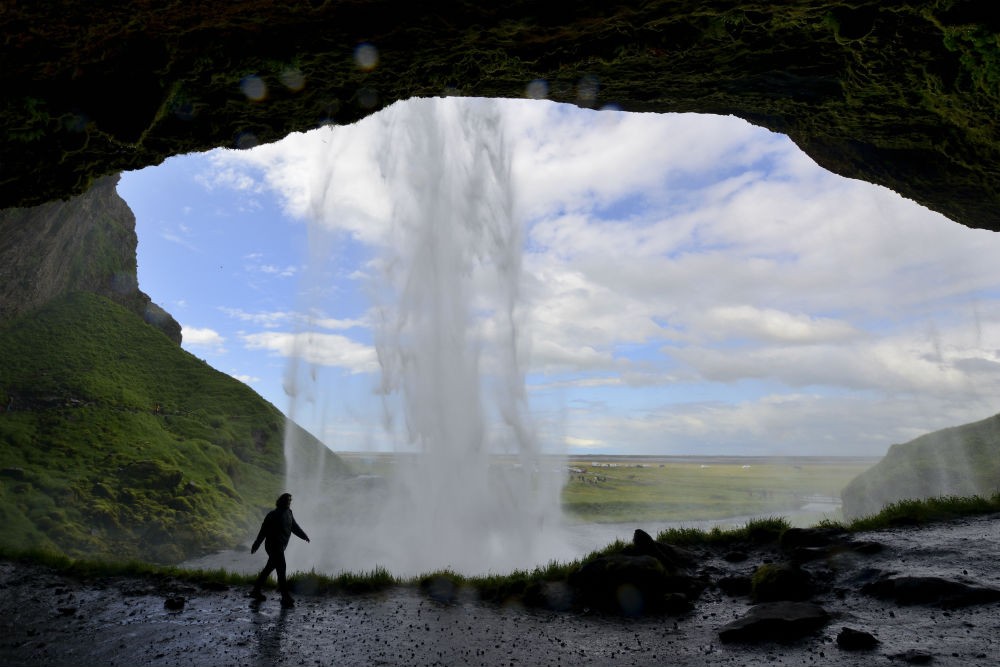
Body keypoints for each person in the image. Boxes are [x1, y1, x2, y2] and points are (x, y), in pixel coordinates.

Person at [249, 492, 310, 607]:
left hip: (280, 546)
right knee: (281, 569)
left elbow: (294, 527)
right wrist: (256, 545)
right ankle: (285, 597)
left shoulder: (289, 513)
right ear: (281, 501)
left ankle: (255, 591)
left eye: (290, 501)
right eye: (287, 500)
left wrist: (304, 536)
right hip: (273, 546)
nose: (289, 502)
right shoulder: (272, 515)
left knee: (269, 568)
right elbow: (263, 532)